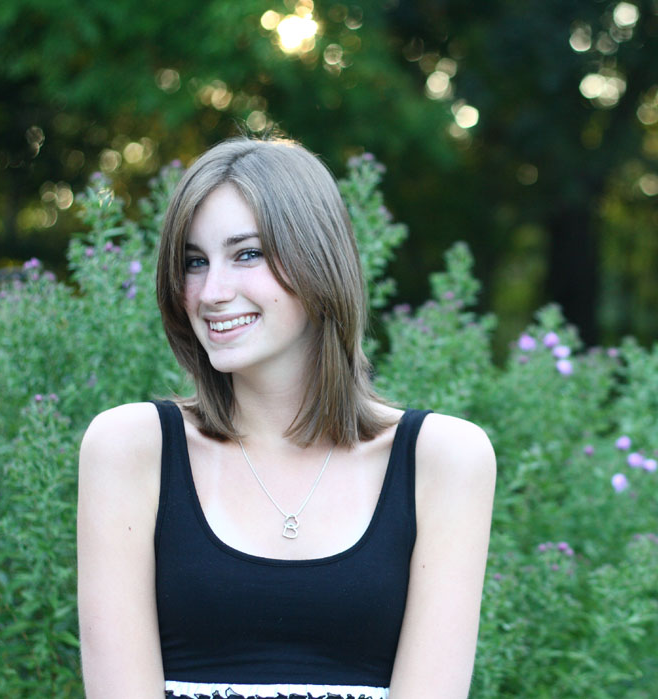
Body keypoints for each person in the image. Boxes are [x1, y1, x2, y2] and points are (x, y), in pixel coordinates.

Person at [77, 137, 496, 699]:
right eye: (195, 262)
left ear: (317, 260)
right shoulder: (129, 448)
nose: (211, 293)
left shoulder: (443, 459)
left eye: (246, 254)